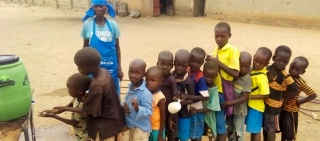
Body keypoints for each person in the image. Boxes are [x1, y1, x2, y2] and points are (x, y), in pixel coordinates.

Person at [74, 47, 125, 141]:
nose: (78, 70)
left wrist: (63, 109)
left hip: (106, 127)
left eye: (80, 68)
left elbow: (88, 110)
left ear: (91, 68)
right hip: (116, 120)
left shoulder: (97, 84)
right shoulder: (104, 72)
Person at [207, 21, 240, 141]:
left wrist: (217, 63)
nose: (219, 39)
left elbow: (236, 73)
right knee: (213, 120)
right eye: (217, 36)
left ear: (229, 35)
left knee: (220, 123)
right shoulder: (215, 50)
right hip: (214, 90)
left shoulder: (233, 50)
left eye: (223, 36)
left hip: (223, 92)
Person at [81, 0, 123, 95]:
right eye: (96, 6)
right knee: (95, 91)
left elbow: (117, 47)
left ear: (106, 7)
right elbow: (85, 47)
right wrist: (84, 67)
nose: (99, 9)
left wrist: (119, 68)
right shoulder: (87, 24)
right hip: (94, 66)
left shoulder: (113, 25)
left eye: (101, 6)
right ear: (93, 8)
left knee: (112, 91)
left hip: (111, 65)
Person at [40, 73, 91, 141]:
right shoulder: (77, 98)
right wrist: (52, 111)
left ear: (80, 91)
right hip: (79, 132)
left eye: (70, 90)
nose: (68, 92)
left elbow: (74, 122)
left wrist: (54, 116)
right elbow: (68, 106)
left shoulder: (83, 105)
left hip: (84, 135)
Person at [264, 45, 299, 141]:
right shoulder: (268, 68)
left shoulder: (285, 75)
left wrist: (284, 102)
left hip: (274, 108)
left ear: (288, 62)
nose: (281, 63)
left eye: (285, 62)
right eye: (279, 60)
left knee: (270, 129)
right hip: (264, 104)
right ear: (274, 58)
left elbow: (295, 89)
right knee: (265, 127)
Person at [280, 56, 317, 141]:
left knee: (290, 132)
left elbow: (313, 95)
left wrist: (300, 102)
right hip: (283, 108)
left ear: (302, 72)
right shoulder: (287, 76)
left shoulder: (300, 82)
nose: (293, 71)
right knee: (283, 129)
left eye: (297, 70)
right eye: (292, 67)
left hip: (291, 110)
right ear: (290, 65)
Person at [122, 59, 153, 141]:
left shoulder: (145, 93)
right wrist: (124, 106)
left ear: (144, 74)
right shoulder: (130, 86)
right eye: (130, 72)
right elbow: (125, 99)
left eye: (137, 73)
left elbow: (149, 111)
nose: (133, 75)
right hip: (130, 125)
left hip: (141, 129)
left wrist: (137, 108)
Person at [245, 47, 272, 141]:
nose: (257, 64)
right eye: (256, 60)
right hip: (249, 104)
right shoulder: (253, 69)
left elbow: (265, 94)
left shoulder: (262, 77)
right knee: (252, 128)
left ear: (266, 64)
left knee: (255, 130)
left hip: (256, 107)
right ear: (253, 57)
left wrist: (249, 97)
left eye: (261, 63)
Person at [224, 51, 252, 141]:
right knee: (230, 129)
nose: (243, 69)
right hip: (230, 110)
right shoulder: (234, 75)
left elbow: (245, 97)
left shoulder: (247, 79)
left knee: (238, 133)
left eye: (246, 67)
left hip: (239, 112)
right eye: (241, 65)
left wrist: (229, 103)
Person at [190, 60, 221, 141]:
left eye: (211, 77)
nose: (208, 79)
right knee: (197, 133)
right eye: (206, 76)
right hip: (200, 116)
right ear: (203, 73)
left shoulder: (214, 90)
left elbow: (212, 107)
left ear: (216, 75)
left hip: (208, 118)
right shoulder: (201, 85)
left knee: (210, 135)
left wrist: (197, 111)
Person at [183, 47, 209, 141]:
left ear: (202, 63)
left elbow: (205, 97)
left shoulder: (200, 77)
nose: (195, 64)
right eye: (193, 61)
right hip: (188, 108)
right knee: (190, 133)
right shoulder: (187, 70)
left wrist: (188, 97)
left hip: (196, 109)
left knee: (196, 135)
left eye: (198, 62)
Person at [171, 49, 195, 141]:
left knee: (183, 136)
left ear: (188, 65)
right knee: (173, 134)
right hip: (172, 114)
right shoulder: (171, 77)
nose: (179, 68)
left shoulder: (188, 81)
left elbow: (192, 99)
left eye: (183, 66)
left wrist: (181, 103)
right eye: (177, 65)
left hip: (184, 114)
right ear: (174, 63)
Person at [157, 51, 180, 141]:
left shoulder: (171, 80)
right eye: (162, 64)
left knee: (171, 136)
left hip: (171, 113)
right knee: (160, 135)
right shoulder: (156, 77)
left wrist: (170, 117)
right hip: (160, 113)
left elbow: (176, 99)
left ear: (172, 66)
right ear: (157, 64)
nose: (165, 67)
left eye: (168, 65)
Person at [145, 66, 166, 141]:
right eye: (147, 79)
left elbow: (163, 117)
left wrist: (160, 135)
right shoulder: (146, 92)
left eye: (152, 80)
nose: (149, 83)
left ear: (161, 81)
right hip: (149, 127)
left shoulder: (160, 98)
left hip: (157, 130)